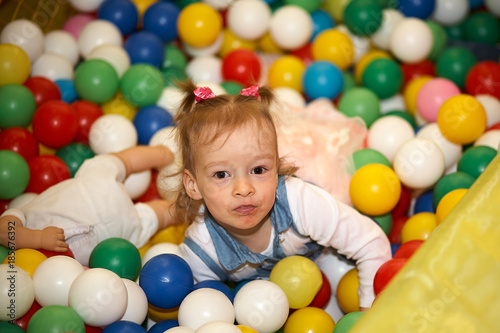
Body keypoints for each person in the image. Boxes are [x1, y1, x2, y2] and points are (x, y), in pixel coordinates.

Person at [170, 80, 392, 311]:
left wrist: (369, 314)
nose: (244, 188)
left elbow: (370, 242)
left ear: (276, 169)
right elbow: (194, 308)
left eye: (258, 170)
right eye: (221, 174)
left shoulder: (300, 203)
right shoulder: (203, 250)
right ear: (193, 185)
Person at [0, 145, 177, 265]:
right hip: (107, 235)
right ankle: (181, 205)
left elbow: (4, 231)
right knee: (156, 215)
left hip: (88, 193)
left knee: (123, 162)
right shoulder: (25, 280)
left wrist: (38, 238)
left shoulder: (12, 248)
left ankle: (162, 155)